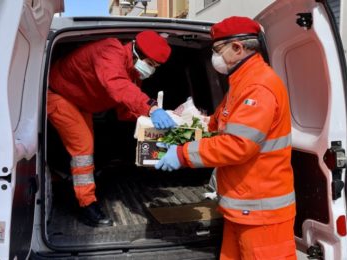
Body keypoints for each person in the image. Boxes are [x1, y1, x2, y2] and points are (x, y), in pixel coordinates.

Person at [155, 16, 296, 259]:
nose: (215, 58)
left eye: (218, 50)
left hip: (262, 213)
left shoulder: (258, 87)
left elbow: (238, 145)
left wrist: (182, 153)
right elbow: (217, 123)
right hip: (241, 207)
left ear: (238, 48)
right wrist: (180, 133)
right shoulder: (241, 82)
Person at [48, 30, 176, 227]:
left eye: (155, 67)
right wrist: (151, 108)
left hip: (81, 103)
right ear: (135, 51)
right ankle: (86, 206)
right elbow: (117, 85)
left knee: (85, 149)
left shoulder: (133, 72)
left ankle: (66, 180)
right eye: (150, 63)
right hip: (60, 95)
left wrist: (164, 117)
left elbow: (125, 109)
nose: (151, 69)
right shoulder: (110, 50)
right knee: (83, 148)